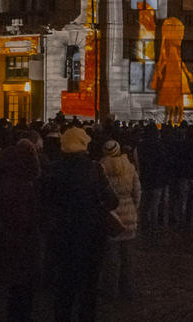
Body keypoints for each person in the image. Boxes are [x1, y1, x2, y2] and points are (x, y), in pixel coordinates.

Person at [41, 126, 118, 322]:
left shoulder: (52, 170)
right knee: (88, 288)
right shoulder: (95, 169)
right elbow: (112, 200)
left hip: (62, 235)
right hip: (91, 236)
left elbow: (44, 201)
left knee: (64, 287)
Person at [0, 139, 42, 322]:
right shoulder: (24, 186)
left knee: (17, 287)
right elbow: (24, 218)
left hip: (10, 241)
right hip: (23, 243)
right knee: (23, 286)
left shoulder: (6, 181)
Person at [100, 139, 141, 299]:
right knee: (128, 256)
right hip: (128, 212)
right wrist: (133, 208)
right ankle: (128, 288)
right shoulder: (129, 167)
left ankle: (111, 289)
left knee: (111, 257)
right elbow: (137, 191)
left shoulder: (101, 169)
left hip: (111, 215)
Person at [136, 123, 171, 235]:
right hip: (157, 179)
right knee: (155, 205)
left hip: (145, 178)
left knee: (144, 204)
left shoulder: (140, 146)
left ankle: (144, 225)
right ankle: (153, 226)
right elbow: (164, 163)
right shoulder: (160, 145)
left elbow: (138, 163)